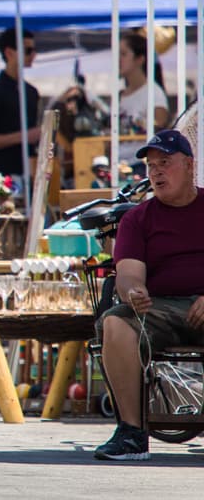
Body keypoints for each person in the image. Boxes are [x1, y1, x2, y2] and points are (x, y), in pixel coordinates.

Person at [94, 129, 204, 461]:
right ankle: (131, 433)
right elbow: (128, 275)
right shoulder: (137, 218)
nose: (155, 172)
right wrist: (133, 292)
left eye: (164, 163)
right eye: (151, 166)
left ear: (188, 165)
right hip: (161, 308)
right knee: (116, 323)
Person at [0, 28, 40, 176]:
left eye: (34, 50)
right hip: (3, 179)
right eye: (27, 50)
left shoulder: (31, 92)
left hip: (30, 173)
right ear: (9, 53)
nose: (33, 55)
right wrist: (23, 136)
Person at [118, 31, 169, 135]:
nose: (118, 59)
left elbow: (159, 134)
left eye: (123, 54)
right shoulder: (120, 96)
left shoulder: (154, 94)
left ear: (140, 59)